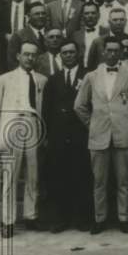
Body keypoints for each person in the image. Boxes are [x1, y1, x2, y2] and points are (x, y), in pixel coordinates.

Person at [74, 36, 128, 234]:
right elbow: (79, 106)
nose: (112, 53)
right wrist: (93, 123)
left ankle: (124, 218)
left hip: (123, 134)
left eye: (116, 50)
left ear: (121, 53)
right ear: (103, 52)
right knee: (99, 181)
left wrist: (124, 122)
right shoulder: (92, 76)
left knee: (124, 180)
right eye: (109, 50)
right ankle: (100, 219)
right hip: (99, 136)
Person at [0, 41, 47, 237]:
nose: (30, 58)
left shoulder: (41, 80)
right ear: (18, 56)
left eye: (33, 55)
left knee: (34, 175)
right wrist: (6, 125)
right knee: (10, 176)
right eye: (26, 54)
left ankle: (31, 215)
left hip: (33, 127)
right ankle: (8, 222)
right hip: (13, 126)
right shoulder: (4, 79)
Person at [42, 40, 91, 232]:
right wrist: (47, 136)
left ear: (78, 53)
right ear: (60, 56)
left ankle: (82, 218)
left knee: (82, 176)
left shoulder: (88, 75)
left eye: (72, 52)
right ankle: (62, 218)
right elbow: (47, 109)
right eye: (65, 53)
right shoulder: (53, 79)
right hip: (59, 137)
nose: (69, 56)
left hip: (82, 134)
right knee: (60, 177)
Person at [6, 2, 49, 71]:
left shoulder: (53, 34)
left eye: (43, 13)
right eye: (37, 14)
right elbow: (13, 63)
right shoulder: (19, 36)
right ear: (29, 16)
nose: (41, 16)